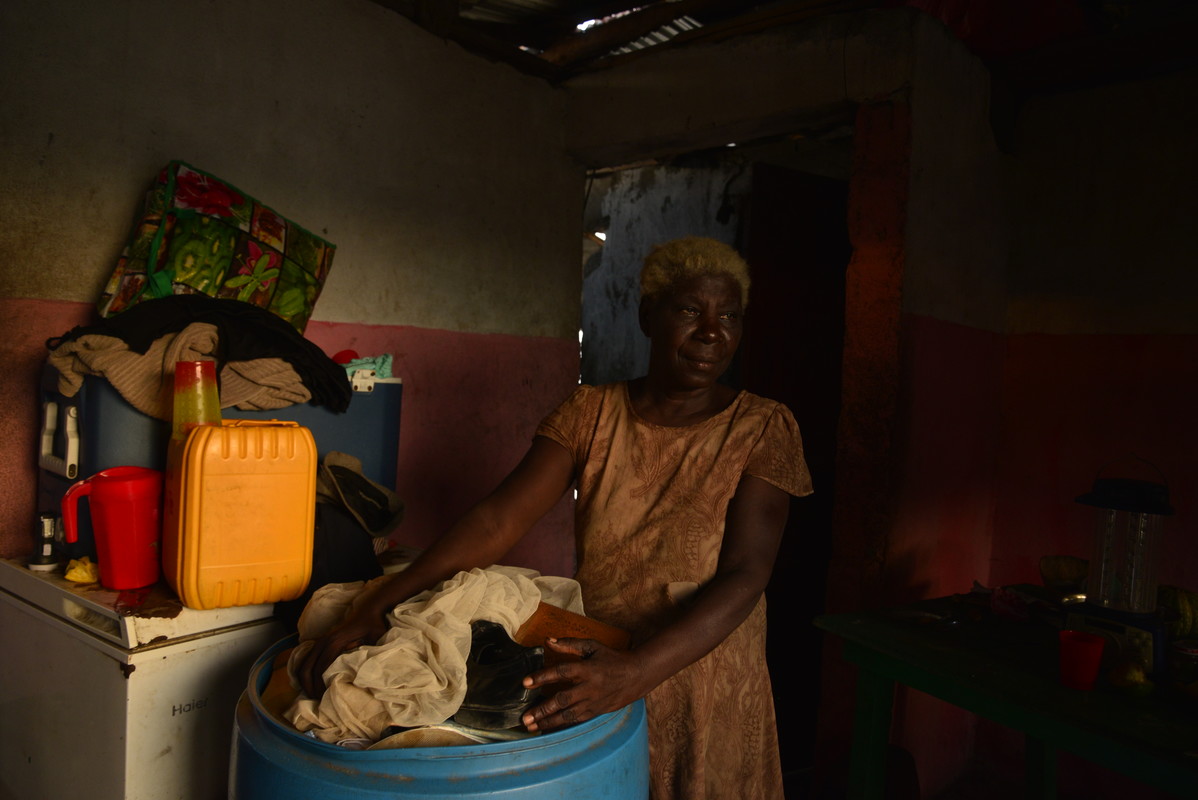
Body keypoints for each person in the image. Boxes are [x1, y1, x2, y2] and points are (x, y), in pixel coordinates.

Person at [297, 236, 813, 799]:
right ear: (647, 316)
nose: (712, 333)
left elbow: (747, 574)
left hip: (704, 667)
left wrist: (639, 671)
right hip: (598, 657)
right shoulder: (590, 412)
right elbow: (498, 521)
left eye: (729, 317)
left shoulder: (762, 428)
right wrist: (377, 604)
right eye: (690, 310)